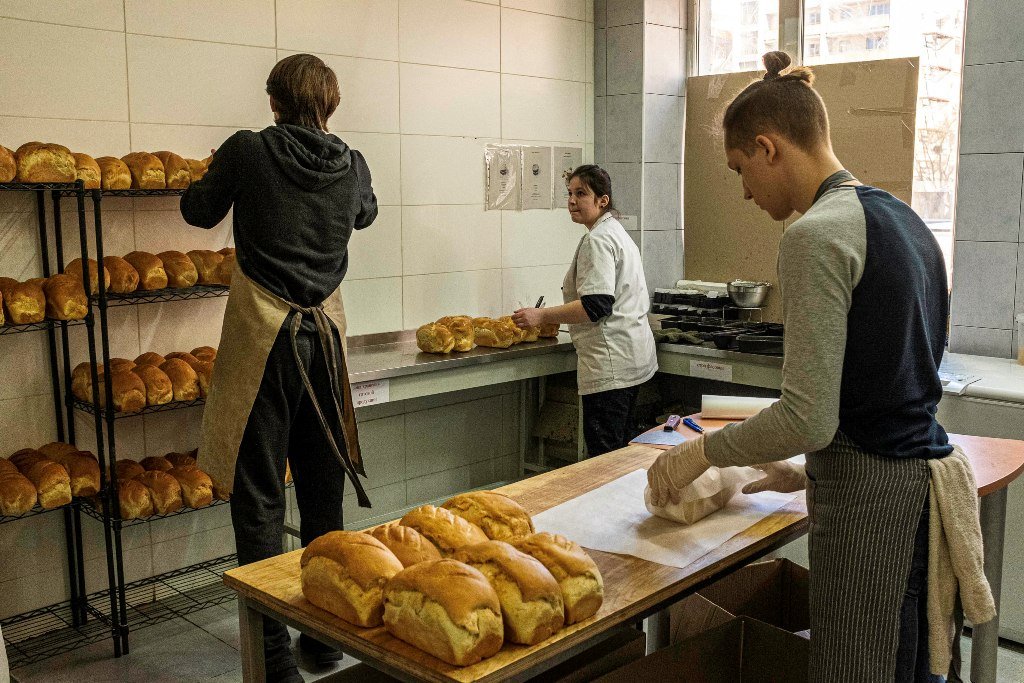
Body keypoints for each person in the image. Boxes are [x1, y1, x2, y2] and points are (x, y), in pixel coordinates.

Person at [647, 51, 991, 682]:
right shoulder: (906, 220)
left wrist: (700, 454)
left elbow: (808, 417)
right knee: (907, 664)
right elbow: (888, 391)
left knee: (856, 670)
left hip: (872, 508)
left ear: (767, 147)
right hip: (913, 493)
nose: (744, 191)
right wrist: (809, 475)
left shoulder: (815, 236)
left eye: (740, 169)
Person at [180, 53, 377, 683]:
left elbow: (198, 211)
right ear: (332, 104)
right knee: (323, 490)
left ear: (273, 102)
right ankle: (323, 640)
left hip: (265, 340)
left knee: (261, 497)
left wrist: (207, 178)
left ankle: (271, 659)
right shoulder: (352, 162)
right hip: (325, 341)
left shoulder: (248, 150)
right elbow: (365, 213)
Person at [513, 165, 657, 456]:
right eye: (569, 193)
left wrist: (540, 316)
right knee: (620, 455)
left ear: (602, 200)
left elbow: (596, 305)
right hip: (632, 359)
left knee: (605, 461)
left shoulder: (598, 240)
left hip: (611, 365)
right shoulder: (614, 232)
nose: (572, 201)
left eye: (581, 193)